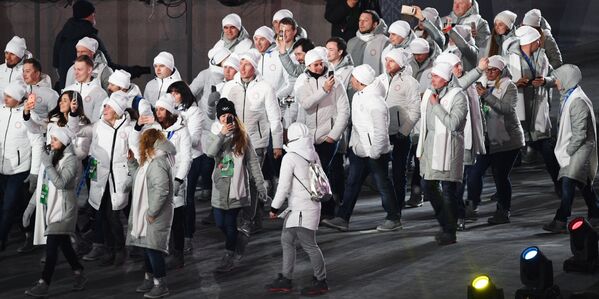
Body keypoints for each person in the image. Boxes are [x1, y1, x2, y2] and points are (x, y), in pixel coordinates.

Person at [321, 65, 401, 232]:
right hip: (359, 150)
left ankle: (394, 218)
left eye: (353, 79)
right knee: (352, 183)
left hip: (374, 152)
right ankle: (343, 218)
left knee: (383, 185)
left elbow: (381, 131)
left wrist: (374, 153)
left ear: (360, 81)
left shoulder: (375, 103)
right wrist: (354, 147)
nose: (351, 81)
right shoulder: (359, 96)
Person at [220, 51, 283, 235]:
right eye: (241, 63)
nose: (243, 67)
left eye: (247, 64)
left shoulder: (265, 87)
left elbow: (275, 118)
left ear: (254, 66)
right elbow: (221, 115)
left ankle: (248, 219)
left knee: (252, 181)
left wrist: (277, 144)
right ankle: (244, 217)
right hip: (232, 142)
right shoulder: (230, 86)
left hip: (256, 143)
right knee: (230, 177)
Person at [266, 123, 329, 296]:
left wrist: (274, 208)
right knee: (287, 239)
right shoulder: (313, 154)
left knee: (309, 245)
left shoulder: (290, 157)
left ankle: (321, 280)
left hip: (301, 210)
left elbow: (283, 187)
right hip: (310, 206)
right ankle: (286, 278)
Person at [205, 98, 267, 273]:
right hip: (220, 189)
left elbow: (253, 162)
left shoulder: (243, 136)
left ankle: (229, 255)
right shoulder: (216, 134)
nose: (226, 119)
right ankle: (238, 241)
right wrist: (222, 135)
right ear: (218, 118)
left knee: (230, 223)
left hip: (237, 188)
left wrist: (261, 186)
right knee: (220, 223)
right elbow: (210, 152)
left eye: (229, 115)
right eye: (223, 116)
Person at [25, 127, 87, 297]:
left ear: (64, 142)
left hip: (64, 210)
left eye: (55, 140)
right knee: (64, 244)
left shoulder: (71, 160)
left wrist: (47, 164)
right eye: (51, 139)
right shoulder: (53, 156)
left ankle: (44, 283)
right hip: (51, 207)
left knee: (52, 247)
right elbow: (44, 184)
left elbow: (61, 183)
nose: (51, 143)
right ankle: (78, 271)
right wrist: (30, 207)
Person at [467, 56, 525, 225]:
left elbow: (506, 109)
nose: (490, 73)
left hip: (508, 141)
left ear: (501, 71)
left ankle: (503, 210)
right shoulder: (482, 84)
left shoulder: (510, 86)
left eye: (494, 70)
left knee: (500, 176)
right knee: (475, 172)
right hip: (488, 140)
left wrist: (485, 96)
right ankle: (472, 204)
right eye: (488, 70)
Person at [416, 62, 468, 245]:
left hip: (449, 150)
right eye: (432, 76)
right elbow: (425, 123)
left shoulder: (459, 96)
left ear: (446, 79)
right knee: (427, 185)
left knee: (448, 191)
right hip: (431, 148)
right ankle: (446, 223)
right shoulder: (431, 93)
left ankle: (449, 231)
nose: (433, 79)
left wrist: (437, 106)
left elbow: (454, 124)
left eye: (437, 76)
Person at [294, 49, 350, 219]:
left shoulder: (336, 83)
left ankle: (327, 208)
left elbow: (344, 111)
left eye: (321, 63)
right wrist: (324, 91)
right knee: (311, 174)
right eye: (315, 64)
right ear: (308, 65)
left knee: (323, 172)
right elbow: (306, 104)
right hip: (309, 138)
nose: (318, 67)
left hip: (328, 137)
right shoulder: (303, 83)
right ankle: (314, 207)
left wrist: (334, 135)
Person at [543, 64, 599, 233]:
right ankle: (596, 213)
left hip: (579, 149)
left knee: (568, 182)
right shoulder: (568, 96)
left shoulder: (577, 102)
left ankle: (561, 219)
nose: (556, 81)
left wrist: (567, 152)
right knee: (583, 184)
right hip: (576, 148)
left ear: (567, 79)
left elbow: (580, 134)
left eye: (558, 78)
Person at [506, 25, 560, 197]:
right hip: (519, 115)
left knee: (546, 148)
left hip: (537, 111)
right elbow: (500, 82)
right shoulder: (509, 59)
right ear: (530, 41)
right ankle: (500, 189)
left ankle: (559, 184)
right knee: (508, 156)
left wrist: (545, 81)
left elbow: (555, 76)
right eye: (537, 40)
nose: (540, 43)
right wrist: (515, 84)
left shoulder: (542, 56)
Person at [140, 94, 192, 270]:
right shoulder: (153, 128)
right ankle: (158, 253)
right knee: (157, 219)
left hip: (174, 180)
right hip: (156, 181)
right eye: (157, 109)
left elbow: (186, 158)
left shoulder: (181, 130)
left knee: (176, 220)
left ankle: (178, 253)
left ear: (169, 111)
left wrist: (178, 180)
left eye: (162, 109)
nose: (158, 112)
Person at [53, 0, 150, 90]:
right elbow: (109, 67)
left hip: (66, 93)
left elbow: (56, 65)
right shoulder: (91, 39)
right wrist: (138, 70)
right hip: (89, 91)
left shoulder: (62, 36)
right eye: (78, 51)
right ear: (91, 15)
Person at [88, 92, 137, 266]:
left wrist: (130, 177)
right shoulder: (98, 126)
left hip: (118, 179)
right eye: (105, 106)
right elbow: (92, 150)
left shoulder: (128, 129)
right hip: (100, 178)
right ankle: (109, 248)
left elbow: (135, 155)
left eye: (108, 106)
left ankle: (119, 248)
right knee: (101, 215)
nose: (105, 109)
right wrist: (92, 173)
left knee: (113, 215)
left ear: (117, 110)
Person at [127, 128, 175, 298]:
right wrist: (132, 163)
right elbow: (139, 178)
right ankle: (149, 278)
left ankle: (160, 284)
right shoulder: (150, 161)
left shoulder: (158, 162)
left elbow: (162, 190)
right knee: (148, 248)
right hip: (151, 212)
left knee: (154, 249)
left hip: (157, 214)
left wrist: (152, 212)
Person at [377, 48, 421, 213]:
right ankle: (388, 203)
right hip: (383, 132)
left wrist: (404, 131)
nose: (387, 64)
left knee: (398, 172)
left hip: (400, 135)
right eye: (386, 60)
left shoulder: (410, 82)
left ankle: (398, 204)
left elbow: (415, 110)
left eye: (392, 61)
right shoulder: (380, 79)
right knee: (381, 172)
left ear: (401, 63)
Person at [167, 81, 203, 254]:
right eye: (170, 93)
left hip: (192, 159)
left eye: (176, 93)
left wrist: (180, 126)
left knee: (187, 199)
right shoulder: (170, 112)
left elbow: (195, 140)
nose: (173, 96)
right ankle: (173, 236)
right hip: (173, 159)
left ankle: (188, 236)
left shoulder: (193, 111)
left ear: (183, 94)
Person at [0, 82, 31, 250]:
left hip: (18, 169)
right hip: (1, 168)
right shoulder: (1, 111)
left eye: (9, 96)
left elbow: (36, 143)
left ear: (18, 98)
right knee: (11, 204)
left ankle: (2, 239)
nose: (5, 98)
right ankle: (24, 230)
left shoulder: (26, 115)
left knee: (8, 205)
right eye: (5, 94)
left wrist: (33, 173)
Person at [63, 55, 108, 122]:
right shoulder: (67, 90)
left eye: (79, 69)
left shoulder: (100, 94)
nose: (76, 73)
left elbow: (96, 123)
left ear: (89, 70)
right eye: (75, 69)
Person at [346, 10, 389, 75]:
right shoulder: (352, 42)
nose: (361, 23)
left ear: (374, 24)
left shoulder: (385, 42)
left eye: (365, 21)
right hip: (354, 83)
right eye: (360, 20)